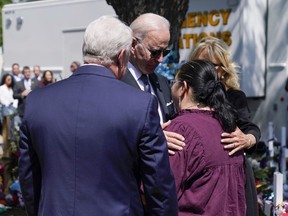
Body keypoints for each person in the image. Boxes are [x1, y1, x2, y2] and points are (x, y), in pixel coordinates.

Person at [18, 16, 178, 216]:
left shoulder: (37, 102)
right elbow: (159, 185)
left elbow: (28, 177)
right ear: (121, 56)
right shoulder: (140, 105)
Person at [189, 36, 261, 216]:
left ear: (222, 69)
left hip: (231, 176)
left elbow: (251, 129)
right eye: (199, 63)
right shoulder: (183, 93)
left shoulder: (235, 97)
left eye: (210, 65)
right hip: (197, 176)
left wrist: (247, 139)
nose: (204, 69)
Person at [167, 60, 246, 215]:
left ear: (183, 87)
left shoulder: (182, 129)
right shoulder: (228, 125)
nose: (172, 87)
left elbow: (161, 190)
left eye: (173, 82)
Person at [121, 13, 185, 154]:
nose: (161, 59)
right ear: (133, 44)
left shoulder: (161, 82)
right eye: (155, 52)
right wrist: (154, 138)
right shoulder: (116, 83)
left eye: (165, 51)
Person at [0, 74, 18, 194]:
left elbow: (15, 99)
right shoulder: (1, 88)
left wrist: (13, 103)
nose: (9, 81)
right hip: (6, 112)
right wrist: (9, 103)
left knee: (13, 131)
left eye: (10, 79)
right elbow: (3, 100)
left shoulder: (13, 89)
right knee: (7, 133)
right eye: (7, 79)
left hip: (13, 113)